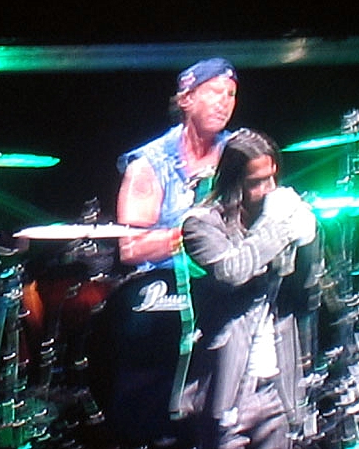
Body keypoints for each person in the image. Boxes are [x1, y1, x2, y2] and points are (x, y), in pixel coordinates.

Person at [89, 57, 239, 448]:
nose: (224, 102)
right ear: (186, 99)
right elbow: (132, 246)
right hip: (164, 293)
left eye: (231, 94)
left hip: (228, 283)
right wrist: (193, 237)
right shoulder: (149, 164)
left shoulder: (239, 155)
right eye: (214, 93)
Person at [179, 128, 322, 449]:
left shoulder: (278, 223)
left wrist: (309, 242)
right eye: (256, 183)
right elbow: (231, 272)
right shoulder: (201, 224)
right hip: (228, 391)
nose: (268, 191)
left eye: (271, 179)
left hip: (275, 388)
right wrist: (276, 228)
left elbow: (306, 297)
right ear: (233, 183)